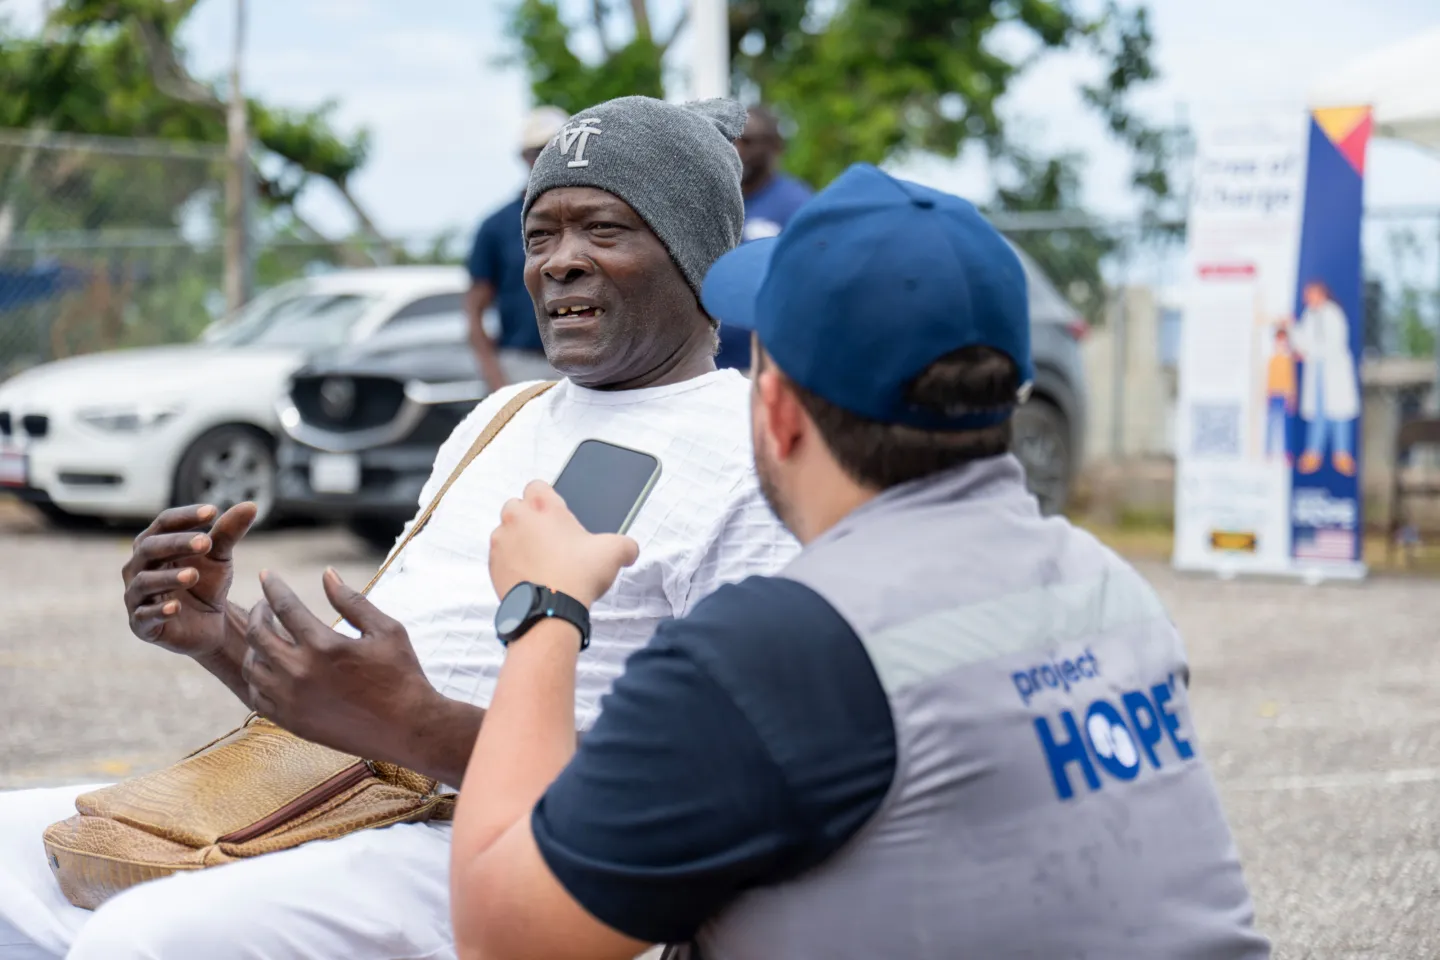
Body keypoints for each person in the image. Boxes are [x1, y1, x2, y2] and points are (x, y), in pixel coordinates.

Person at [0, 95, 799, 960]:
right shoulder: (500, 419)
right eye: (540, 236)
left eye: (603, 230)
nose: (559, 262)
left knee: (146, 940)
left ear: (696, 253)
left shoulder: (753, 453)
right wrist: (219, 637)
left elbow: (712, 789)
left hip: (508, 846)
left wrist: (416, 726)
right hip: (339, 795)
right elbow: (360, 708)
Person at [448, 164, 1271, 960]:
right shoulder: (1110, 587)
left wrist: (546, 608)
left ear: (777, 410)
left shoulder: (780, 647)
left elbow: (501, 935)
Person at [464, 105, 569, 390]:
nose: (546, 159)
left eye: (556, 148)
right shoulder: (497, 226)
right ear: (524, 156)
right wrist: (497, 380)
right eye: (538, 151)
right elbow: (474, 309)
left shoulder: (597, 214)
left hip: (591, 363)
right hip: (523, 366)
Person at [714, 105, 814, 371]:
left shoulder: (798, 207)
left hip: (764, 369)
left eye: (748, 142)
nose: (737, 150)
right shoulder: (712, 200)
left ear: (775, 147)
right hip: (709, 366)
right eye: (732, 141)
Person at [1287, 280, 1360, 476]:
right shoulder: (1309, 315)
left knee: (1339, 414)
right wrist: (1292, 329)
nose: (1307, 299)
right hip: (1317, 370)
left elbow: (1333, 344)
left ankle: (1342, 454)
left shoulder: (1333, 314)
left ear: (1321, 294)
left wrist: (1308, 352)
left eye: (1310, 294)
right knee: (1318, 413)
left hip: (1332, 369)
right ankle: (1313, 453)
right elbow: (1302, 341)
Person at [1265, 324, 1297, 461]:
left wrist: (1292, 395)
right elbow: (1269, 379)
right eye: (1279, 342)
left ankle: (1287, 452)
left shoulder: (1288, 360)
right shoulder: (1272, 360)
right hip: (1274, 395)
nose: (1281, 345)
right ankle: (1268, 451)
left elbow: (1291, 379)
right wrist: (1268, 394)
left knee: (1287, 426)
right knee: (1271, 423)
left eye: (1284, 342)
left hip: (1286, 395)